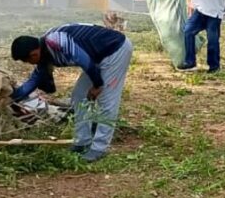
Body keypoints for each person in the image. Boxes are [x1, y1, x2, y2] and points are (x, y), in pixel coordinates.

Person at [10, 24, 133, 163]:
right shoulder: (44, 52)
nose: (28, 63)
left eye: (27, 60)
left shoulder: (56, 41)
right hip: (96, 57)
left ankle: (99, 148)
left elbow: (83, 60)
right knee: (79, 95)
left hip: (115, 50)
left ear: (34, 54)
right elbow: (33, 82)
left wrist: (97, 84)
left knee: (107, 100)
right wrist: (11, 98)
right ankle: (82, 141)